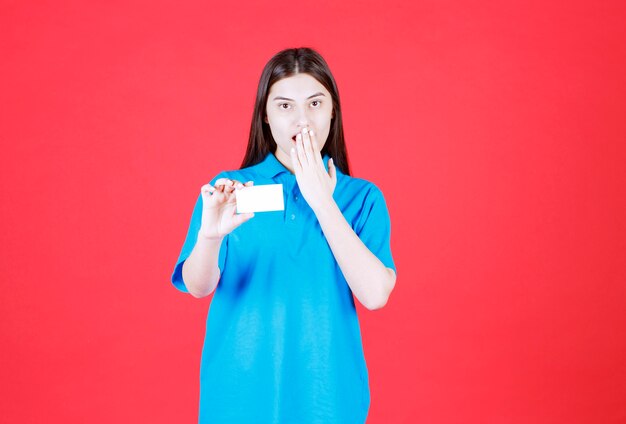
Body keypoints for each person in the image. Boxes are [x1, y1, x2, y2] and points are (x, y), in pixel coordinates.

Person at [171, 47, 397, 424]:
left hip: (329, 399)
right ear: (265, 115)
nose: (302, 119)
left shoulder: (363, 198)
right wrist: (209, 237)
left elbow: (375, 295)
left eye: (314, 103)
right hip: (238, 395)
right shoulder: (231, 190)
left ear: (332, 111)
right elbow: (198, 286)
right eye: (285, 106)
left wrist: (322, 201)